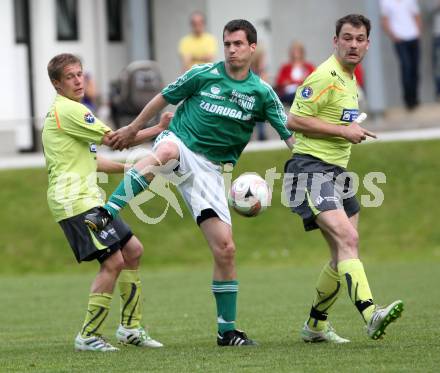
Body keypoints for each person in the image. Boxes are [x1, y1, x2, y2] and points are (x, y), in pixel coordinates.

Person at [85, 19, 294, 347]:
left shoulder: (262, 93)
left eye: (238, 44)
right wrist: (132, 128)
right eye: (227, 43)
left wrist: (308, 164)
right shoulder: (203, 74)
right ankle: (106, 212)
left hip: (210, 171)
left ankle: (227, 331)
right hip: (180, 141)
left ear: (253, 48)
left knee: (225, 249)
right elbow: (162, 98)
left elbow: (288, 134)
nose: (232, 50)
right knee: (165, 151)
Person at [284, 14, 403, 344]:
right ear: (335, 41)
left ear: (367, 43)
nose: (353, 44)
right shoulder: (325, 76)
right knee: (347, 240)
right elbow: (293, 119)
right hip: (310, 169)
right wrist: (343, 130)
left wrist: (347, 132)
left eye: (359, 38)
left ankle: (315, 326)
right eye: (347, 38)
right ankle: (370, 314)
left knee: (343, 252)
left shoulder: (352, 78)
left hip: (339, 172)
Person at [42, 53, 171, 352]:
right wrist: (159, 128)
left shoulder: (69, 113)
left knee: (133, 250)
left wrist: (130, 170)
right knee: (113, 261)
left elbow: (95, 159)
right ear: (56, 84)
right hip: (74, 202)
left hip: (89, 200)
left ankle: (129, 329)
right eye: (70, 77)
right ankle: (88, 335)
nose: (78, 80)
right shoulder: (71, 111)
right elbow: (116, 139)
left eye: (80, 74)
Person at [380, 0, 422, 110]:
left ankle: (415, 98)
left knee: (415, 69)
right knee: (406, 67)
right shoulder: (385, 2)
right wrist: (393, 35)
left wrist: (417, 31)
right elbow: (384, 21)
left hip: (413, 37)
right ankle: (408, 100)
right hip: (400, 39)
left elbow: (416, 15)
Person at [275, 41, 315, 106]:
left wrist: (293, 82)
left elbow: (314, 80)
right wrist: (299, 81)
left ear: (302, 52)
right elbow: (279, 82)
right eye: (294, 50)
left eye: (298, 50)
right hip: (289, 94)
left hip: (304, 92)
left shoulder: (309, 67)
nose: (295, 53)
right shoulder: (285, 67)